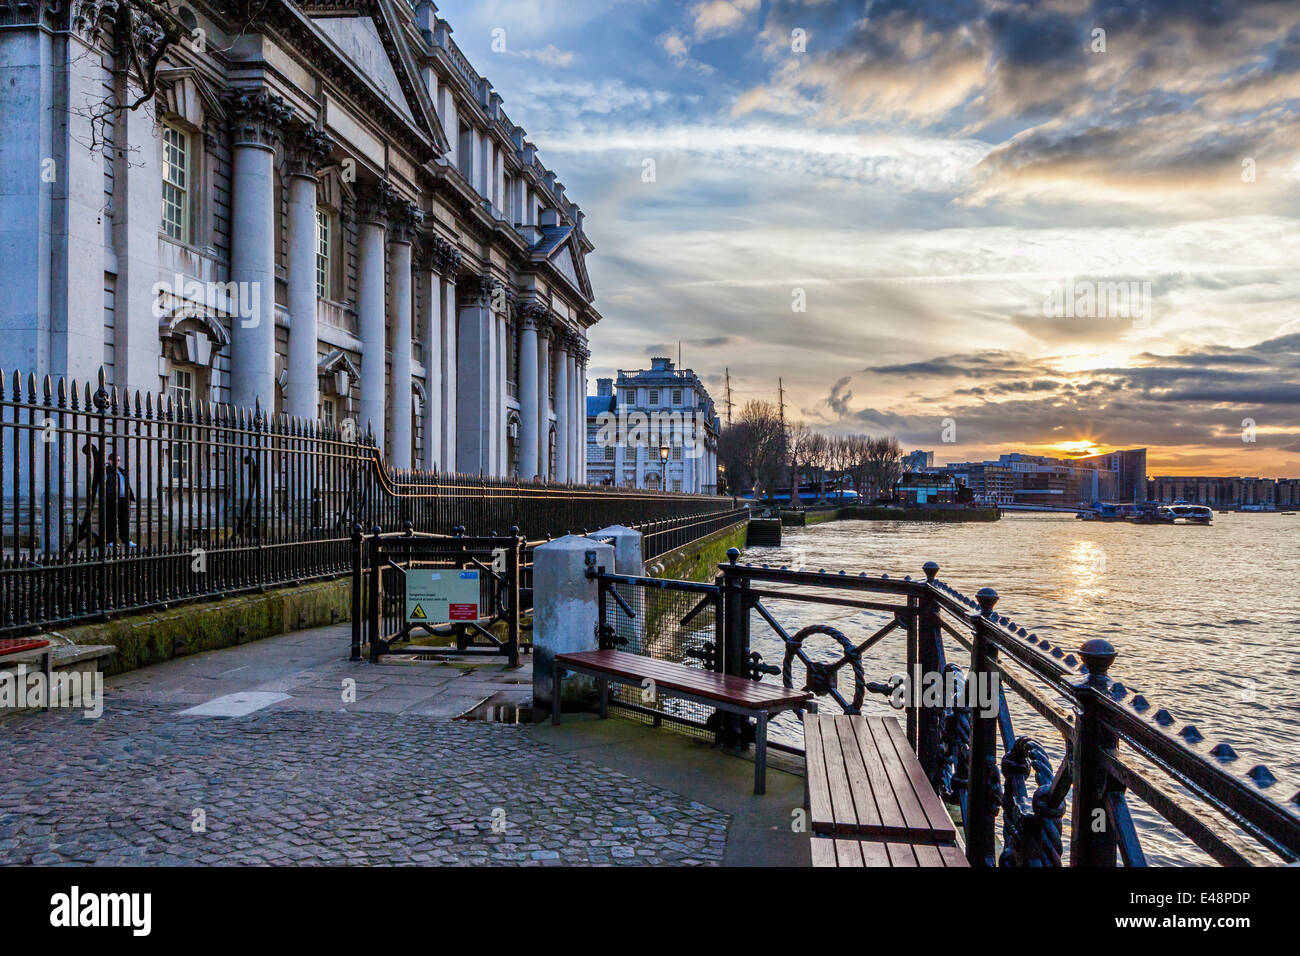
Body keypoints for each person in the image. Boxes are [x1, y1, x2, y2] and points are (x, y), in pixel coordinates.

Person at [102, 452, 135, 546]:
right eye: (116, 460)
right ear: (110, 461)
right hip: (113, 499)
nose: (118, 462)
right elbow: (103, 486)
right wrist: (108, 496)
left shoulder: (122, 471)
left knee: (124, 520)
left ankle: (126, 540)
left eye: (119, 460)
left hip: (124, 499)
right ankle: (110, 541)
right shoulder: (106, 471)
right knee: (111, 519)